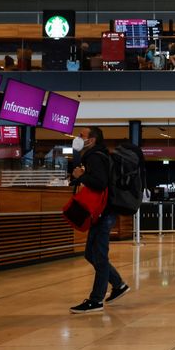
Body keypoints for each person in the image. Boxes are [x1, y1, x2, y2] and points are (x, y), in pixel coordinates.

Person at [70, 127, 131, 314]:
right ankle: (118, 284)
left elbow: (99, 183)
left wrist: (82, 177)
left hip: (103, 212)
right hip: (102, 212)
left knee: (99, 256)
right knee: (91, 254)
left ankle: (96, 300)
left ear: (92, 139)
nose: (78, 138)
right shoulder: (97, 155)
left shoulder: (95, 157)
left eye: (82, 136)